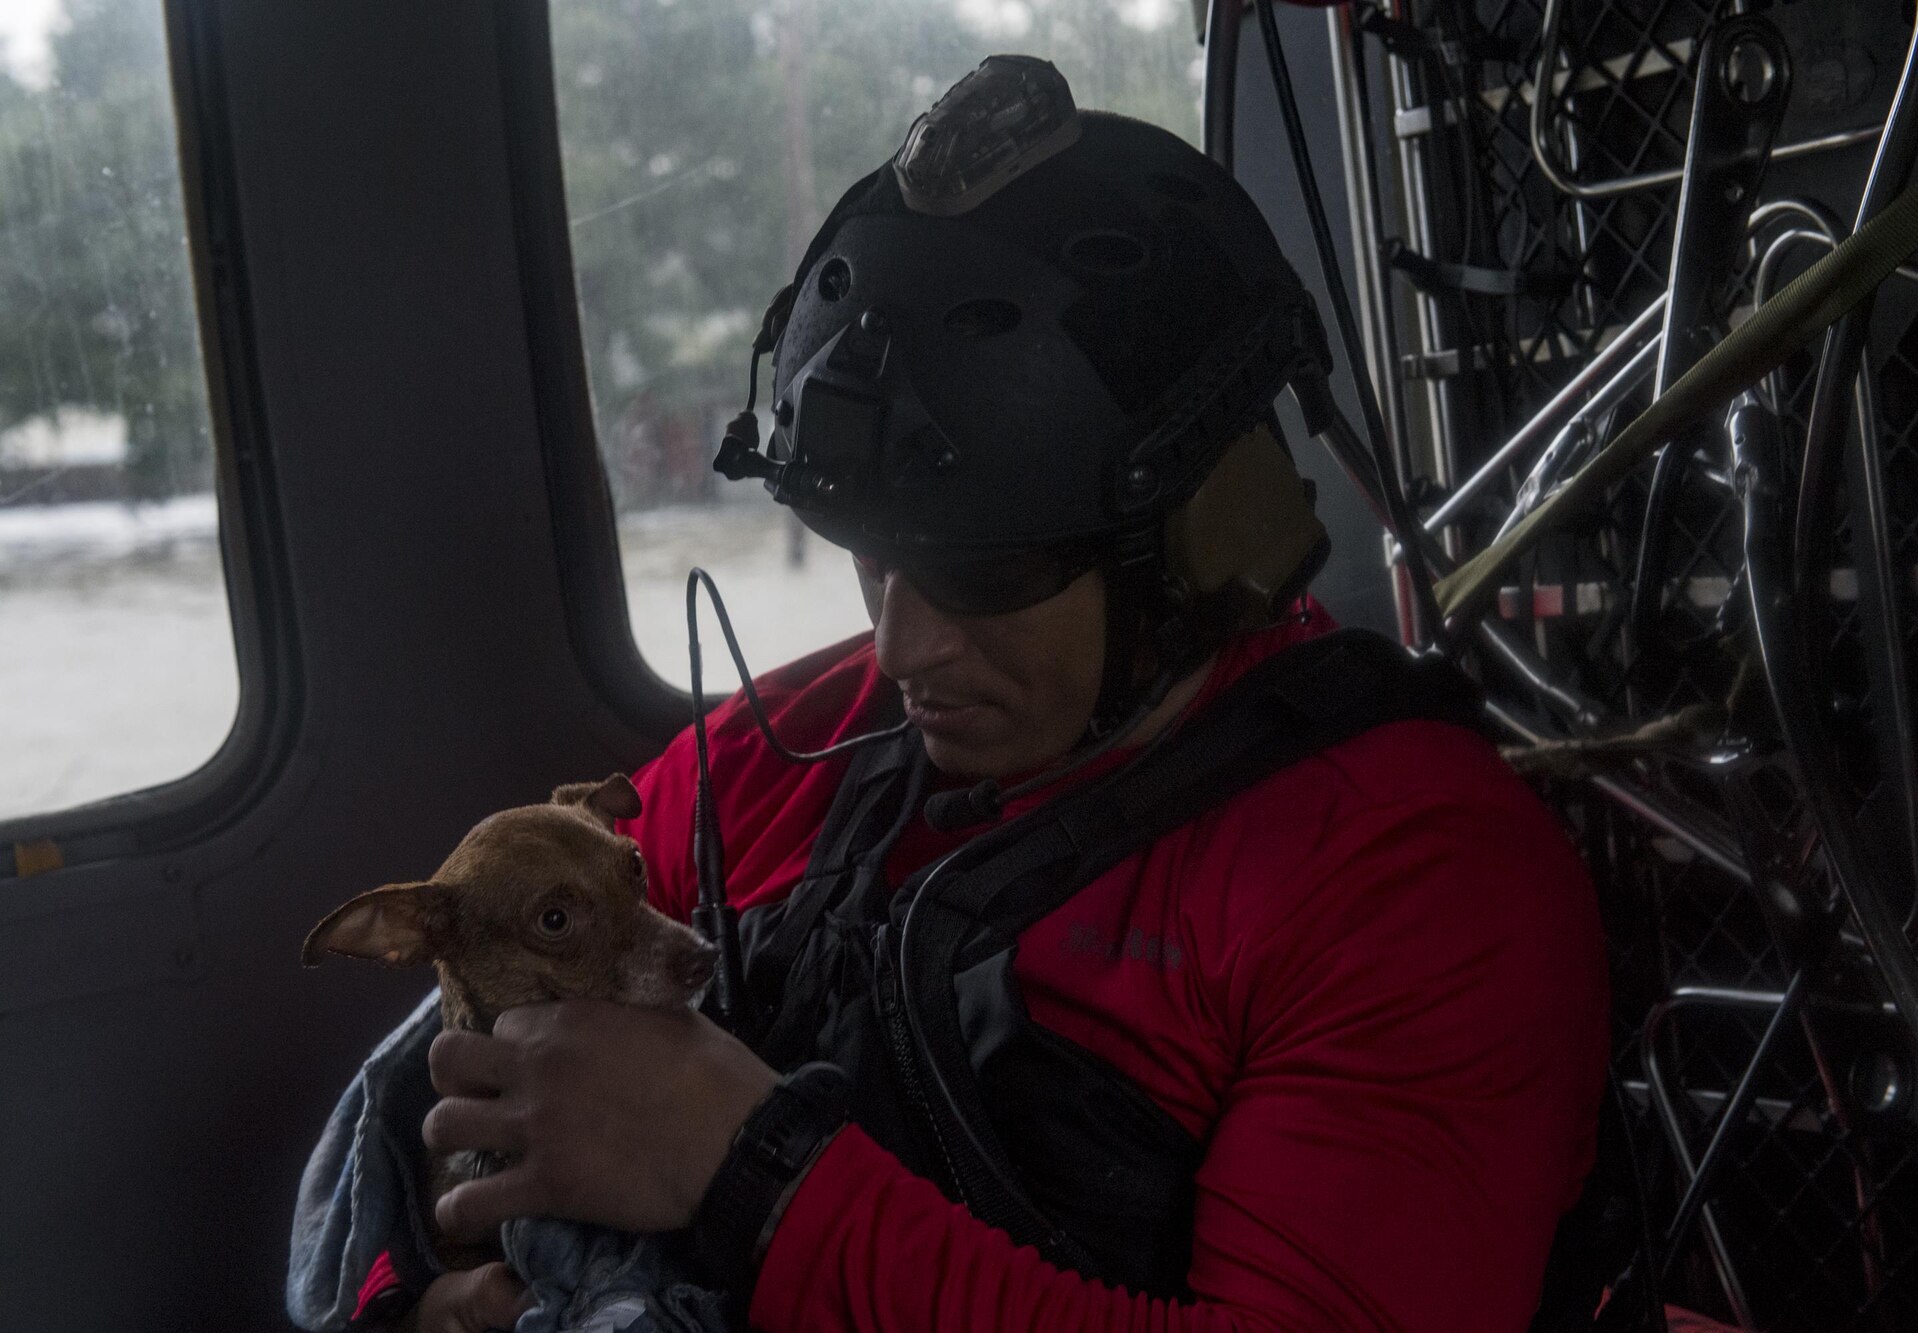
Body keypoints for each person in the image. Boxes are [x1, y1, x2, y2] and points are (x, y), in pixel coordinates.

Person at [400, 57, 1608, 1333]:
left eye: (980, 572)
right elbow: (456, 1013)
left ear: (1198, 535)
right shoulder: (807, 743)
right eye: (873, 556)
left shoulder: (1411, 880)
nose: (903, 643)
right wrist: (420, 1300)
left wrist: (750, 1169)